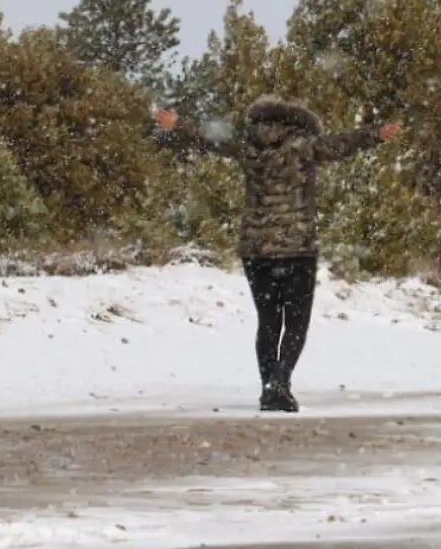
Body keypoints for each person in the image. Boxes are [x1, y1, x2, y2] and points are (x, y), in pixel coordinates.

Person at [155, 96, 400, 412]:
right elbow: (343, 143)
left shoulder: (247, 147)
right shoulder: (304, 147)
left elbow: (212, 139)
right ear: (298, 123)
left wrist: (179, 124)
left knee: (268, 320)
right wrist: (376, 134)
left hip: (256, 249)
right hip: (297, 247)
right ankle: (279, 382)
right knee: (296, 323)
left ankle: (269, 387)